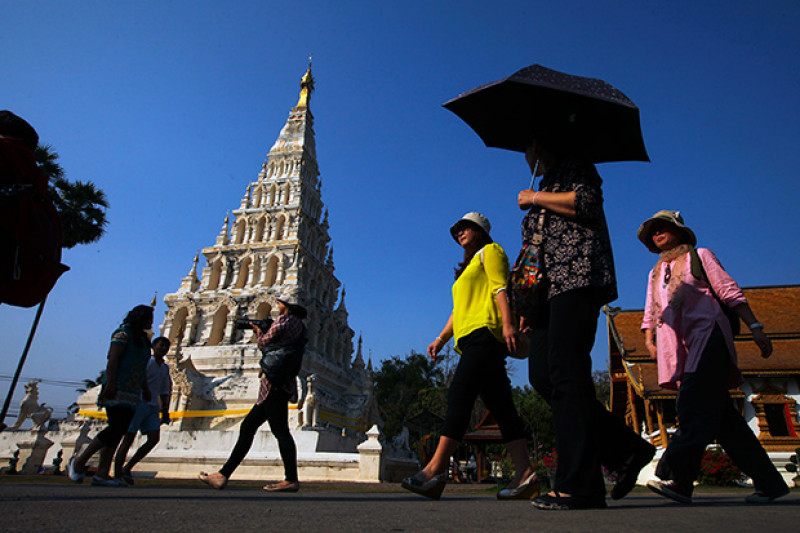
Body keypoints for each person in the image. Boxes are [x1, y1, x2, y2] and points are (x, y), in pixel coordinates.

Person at [517, 139, 655, 510]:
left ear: (543, 145)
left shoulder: (576, 164)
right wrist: (526, 307)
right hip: (545, 293)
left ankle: (580, 485)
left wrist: (535, 200)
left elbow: (587, 203)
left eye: (529, 147)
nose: (526, 155)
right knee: (543, 376)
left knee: (567, 372)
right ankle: (626, 449)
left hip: (577, 277)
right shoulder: (543, 187)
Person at [637, 210, 789, 504]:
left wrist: (755, 327)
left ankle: (676, 474)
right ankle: (771, 483)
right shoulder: (655, 272)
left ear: (679, 231)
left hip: (708, 336)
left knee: (691, 403)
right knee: (725, 423)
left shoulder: (701, 256)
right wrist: (648, 340)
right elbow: (651, 311)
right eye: (653, 230)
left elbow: (729, 291)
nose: (658, 233)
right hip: (678, 348)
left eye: (664, 227)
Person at [402, 212, 538, 501]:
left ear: (481, 231)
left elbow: (500, 287)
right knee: (501, 408)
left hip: (486, 333)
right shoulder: (465, 270)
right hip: (469, 338)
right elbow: (458, 311)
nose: (461, 232)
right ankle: (525, 473)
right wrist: (440, 339)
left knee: (459, 396)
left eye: (467, 227)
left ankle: (435, 470)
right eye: (458, 229)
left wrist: (508, 325)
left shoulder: (492, 251)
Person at [198, 292, 307, 492]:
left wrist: (258, 331)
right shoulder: (299, 325)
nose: (278, 305)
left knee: (280, 431)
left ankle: (291, 479)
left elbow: (265, 343)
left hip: (274, 384)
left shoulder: (284, 321)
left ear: (287, 305)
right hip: (281, 382)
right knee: (249, 427)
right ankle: (223, 475)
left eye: (280, 302)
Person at [67, 305, 154, 487]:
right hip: (117, 386)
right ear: (140, 318)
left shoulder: (144, 340)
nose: (152, 321)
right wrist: (111, 383)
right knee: (115, 428)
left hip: (132, 390)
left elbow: (141, 366)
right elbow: (112, 359)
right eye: (149, 317)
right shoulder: (122, 334)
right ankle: (79, 461)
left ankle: (102, 473)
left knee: (119, 431)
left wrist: (145, 388)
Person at [113, 336, 172, 485]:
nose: (163, 348)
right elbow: (140, 376)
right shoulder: (147, 362)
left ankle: (128, 467)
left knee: (153, 439)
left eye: (166, 346)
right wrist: (145, 390)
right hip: (138, 402)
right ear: (153, 346)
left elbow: (165, 389)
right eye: (161, 345)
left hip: (152, 406)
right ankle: (117, 473)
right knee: (128, 439)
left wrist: (165, 408)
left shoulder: (164, 367)